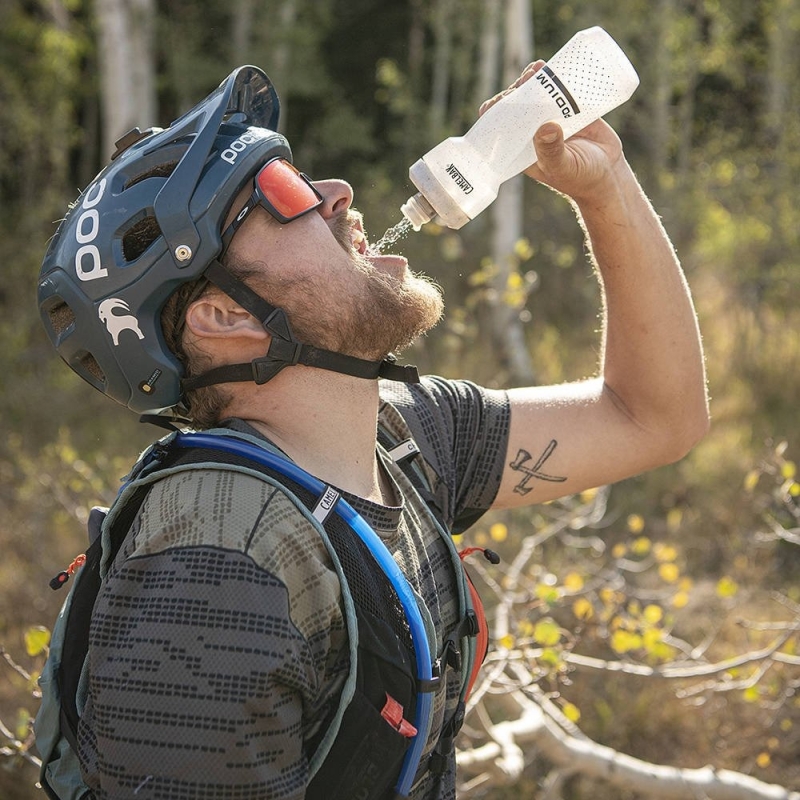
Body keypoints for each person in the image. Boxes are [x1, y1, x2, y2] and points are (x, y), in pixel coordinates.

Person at [37, 62, 708, 800]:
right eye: (282, 193)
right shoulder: (214, 559)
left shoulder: (402, 437)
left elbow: (653, 416)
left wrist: (603, 185)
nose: (336, 193)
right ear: (226, 318)